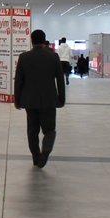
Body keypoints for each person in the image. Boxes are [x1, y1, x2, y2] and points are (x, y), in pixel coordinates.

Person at [14, 30, 66, 168]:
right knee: (49, 130)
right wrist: (61, 98)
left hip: (30, 101)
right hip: (49, 100)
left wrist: (17, 99)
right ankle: (45, 152)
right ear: (44, 40)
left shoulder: (24, 57)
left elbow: (18, 80)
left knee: (32, 131)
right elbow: (60, 80)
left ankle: (36, 157)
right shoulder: (53, 57)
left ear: (31, 40)